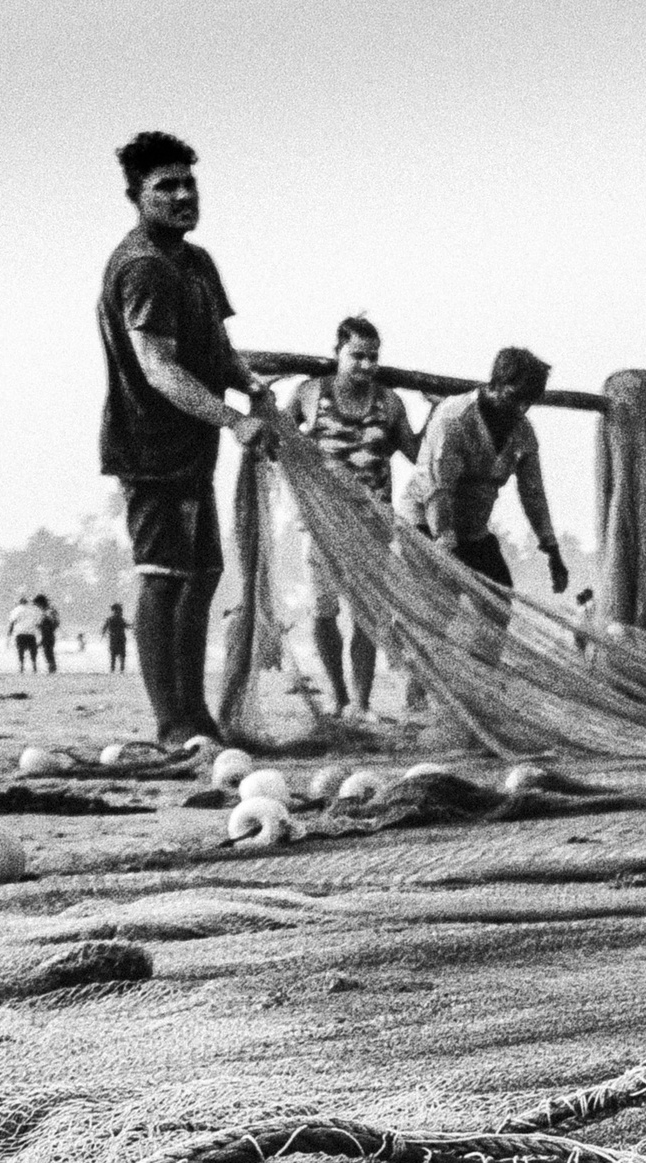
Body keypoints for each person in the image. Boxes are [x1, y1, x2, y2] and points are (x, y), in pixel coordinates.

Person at [97, 130, 276, 748]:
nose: (181, 195)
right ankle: (171, 721)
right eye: (164, 187)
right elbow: (160, 366)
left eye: (188, 183)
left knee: (203, 572)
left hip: (194, 449)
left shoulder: (195, 262)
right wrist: (232, 420)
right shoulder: (143, 266)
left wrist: (250, 386)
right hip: (150, 450)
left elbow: (215, 348)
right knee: (164, 574)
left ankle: (196, 715)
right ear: (135, 197)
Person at [406, 347, 568, 687]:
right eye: (515, 396)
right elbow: (439, 489)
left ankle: (479, 683)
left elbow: (533, 493)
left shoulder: (522, 430)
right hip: (427, 519)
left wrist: (551, 549)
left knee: (498, 601)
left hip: (474, 527)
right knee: (438, 607)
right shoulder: (454, 418)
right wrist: (444, 543)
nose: (521, 407)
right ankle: (420, 692)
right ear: (496, 384)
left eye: (529, 400)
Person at [284, 316, 418, 717]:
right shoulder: (310, 393)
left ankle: (361, 703)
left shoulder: (390, 402)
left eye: (373, 357)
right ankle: (338, 697)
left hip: (372, 523)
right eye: (356, 356)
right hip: (321, 523)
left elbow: (415, 452)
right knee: (324, 612)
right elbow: (278, 437)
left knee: (369, 616)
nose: (365, 365)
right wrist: (261, 395)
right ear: (337, 353)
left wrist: (438, 410)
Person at [7, 595, 41, 672]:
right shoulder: (33, 610)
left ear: (20, 602)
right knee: (33, 651)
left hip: (20, 633)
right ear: (27, 602)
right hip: (31, 634)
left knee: (21, 651)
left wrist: (9, 633)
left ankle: (21, 667)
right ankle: (34, 666)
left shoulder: (16, 610)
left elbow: (12, 622)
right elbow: (38, 623)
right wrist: (39, 633)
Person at [34, 594, 61, 673]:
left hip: (47, 633)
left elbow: (54, 622)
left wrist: (47, 628)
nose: (37, 606)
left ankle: (52, 668)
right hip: (47, 633)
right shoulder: (48, 610)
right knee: (48, 651)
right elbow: (56, 622)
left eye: (37, 604)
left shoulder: (48, 611)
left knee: (48, 651)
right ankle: (52, 667)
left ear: (40, 603)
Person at [102, 603, 131, 672]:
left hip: (114, 639)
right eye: (120, 610)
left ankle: (113, 670)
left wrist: (103, 633)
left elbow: (104, 628)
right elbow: (127, 626)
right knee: (122, 655)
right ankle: (121, 670)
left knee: (113, 656)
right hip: (120, 639)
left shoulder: (110, 619)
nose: (121, 612)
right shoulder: (120, 619)